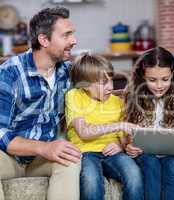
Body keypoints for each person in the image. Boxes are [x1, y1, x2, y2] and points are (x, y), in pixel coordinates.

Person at [0, 7, 81, 200]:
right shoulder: (10, 73)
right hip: (8, 157)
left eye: (73, 34)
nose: (74, 41)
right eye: (67, 35)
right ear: (44, 40)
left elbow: (101, 88)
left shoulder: (68, 72)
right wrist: (43, 147)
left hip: (41, 160)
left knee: (70, 159)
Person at [65, 53, 144, 200]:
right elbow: (84, 132)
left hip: (113, 153)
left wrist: (120, 145)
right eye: (103, 83)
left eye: (111, 80)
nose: (110, 87)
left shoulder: (117, 102)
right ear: (86, 85)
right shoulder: (74, 96)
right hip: (85, 152)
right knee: (91, 181)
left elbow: (125, 138)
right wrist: (118, 125)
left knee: (134, 173)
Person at [124, 47, 174, 200]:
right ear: (143, 77)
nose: (159, 86)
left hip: (172, 155)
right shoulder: (133, 97)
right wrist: (129, 146)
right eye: (152, 80)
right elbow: (127, 134)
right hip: (145, 154)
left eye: (165, 79)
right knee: (151, 164)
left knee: (173, 166)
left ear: (172, 75)